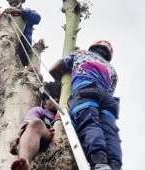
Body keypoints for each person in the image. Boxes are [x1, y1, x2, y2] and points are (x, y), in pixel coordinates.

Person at [49, 40, 122, 170]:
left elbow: (53, 68)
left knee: (89, 122)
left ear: (93, 47)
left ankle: (99, 162)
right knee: (110, 132)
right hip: (108, 101)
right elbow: (110, 92)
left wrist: (62, 80)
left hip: (86, 90)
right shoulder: (113, 72)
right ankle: (115, 166)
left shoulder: (81, 53)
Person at [9, 81, 61, 170]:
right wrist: (16, 137)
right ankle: (23, 162)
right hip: (41, 135)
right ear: (44, 102)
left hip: (54, 137)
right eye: (52, 98)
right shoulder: (39, 111)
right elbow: (28, 123)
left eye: (58, 97)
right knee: (36, 123)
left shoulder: (64, 112)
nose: (56, 100)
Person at [0, 0, 41, 66]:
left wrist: (20, 11)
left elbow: (37, 18)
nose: (12, 0)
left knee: (24, 40)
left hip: (22, 47)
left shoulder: (27, 12)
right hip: (2, 43)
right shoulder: (4, 14)